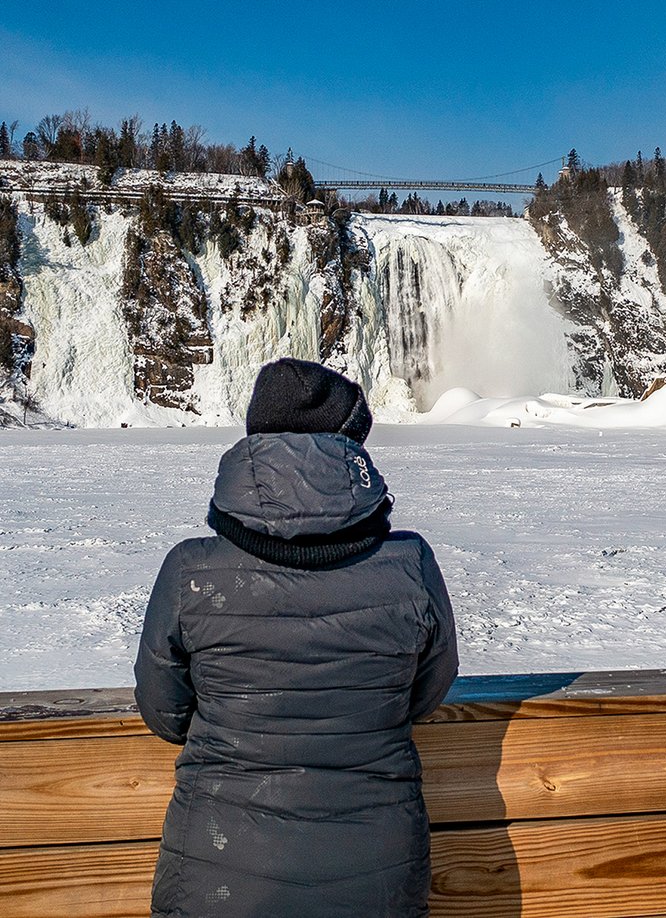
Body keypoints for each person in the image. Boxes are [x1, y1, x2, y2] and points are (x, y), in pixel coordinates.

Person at [134, 358, 458, 917]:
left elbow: (164, 711)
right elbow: (426, 694)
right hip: (375, 868)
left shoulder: (191, 571)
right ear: (351, 449)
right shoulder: (410, 565)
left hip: (221, 866)